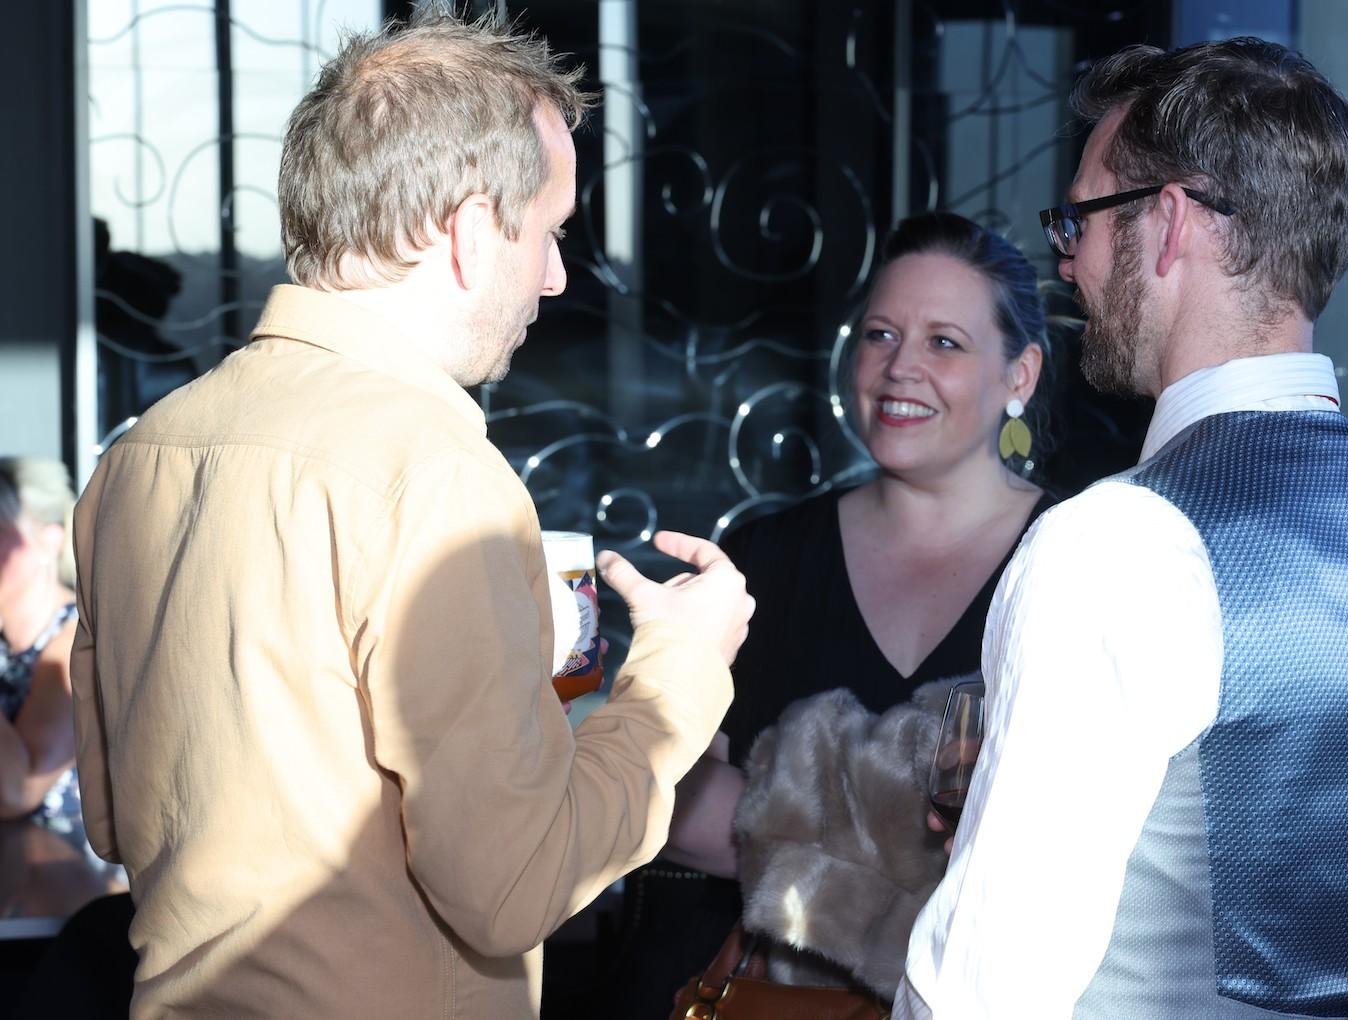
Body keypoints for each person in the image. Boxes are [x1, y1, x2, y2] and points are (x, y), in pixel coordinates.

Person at [69, 12, 752, 1020]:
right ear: (473, 233)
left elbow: (119, 821)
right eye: (550, 229)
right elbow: (512, 888)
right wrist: (679, 673)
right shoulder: (434, 475)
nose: (557, 275)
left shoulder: (140, 456)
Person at [896, 37, 1348, 1020]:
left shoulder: (1117, 544)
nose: (1068, 259)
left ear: (1167, 224)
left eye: (1080, 220)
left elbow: (978, 992)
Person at [611, 210, 1060, 1016]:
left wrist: (778, 825)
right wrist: (922, 857)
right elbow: (667, 798)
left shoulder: (1071, 562)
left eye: (944, 343)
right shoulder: (767, 555)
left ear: (1019, 375)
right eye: (881, 335)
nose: (899, 369)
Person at [0, 459, 85, 847]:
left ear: (49, 541)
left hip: (70, 897)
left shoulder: (73, 646)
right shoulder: (9, 650)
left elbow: (16, 793)